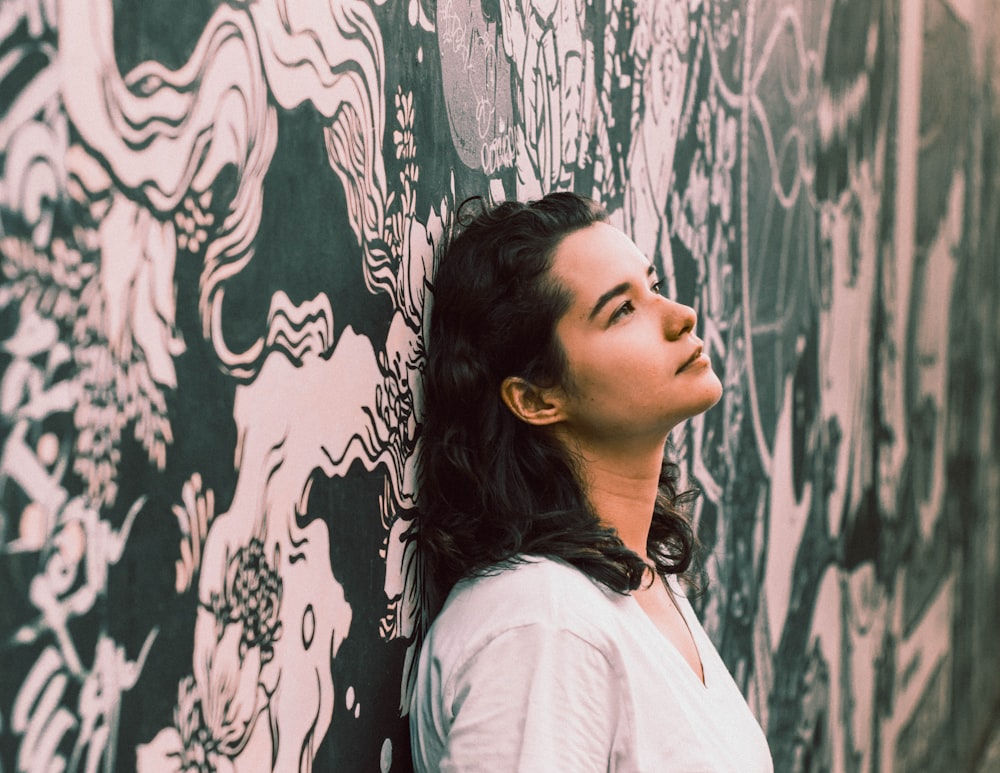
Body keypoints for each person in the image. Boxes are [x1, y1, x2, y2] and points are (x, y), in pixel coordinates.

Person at [410, 192, 773, 771]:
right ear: (535, 398)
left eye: (651, 288)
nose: (681, 316)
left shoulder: (632, 581)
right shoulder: (538, 627)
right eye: (621, 311)